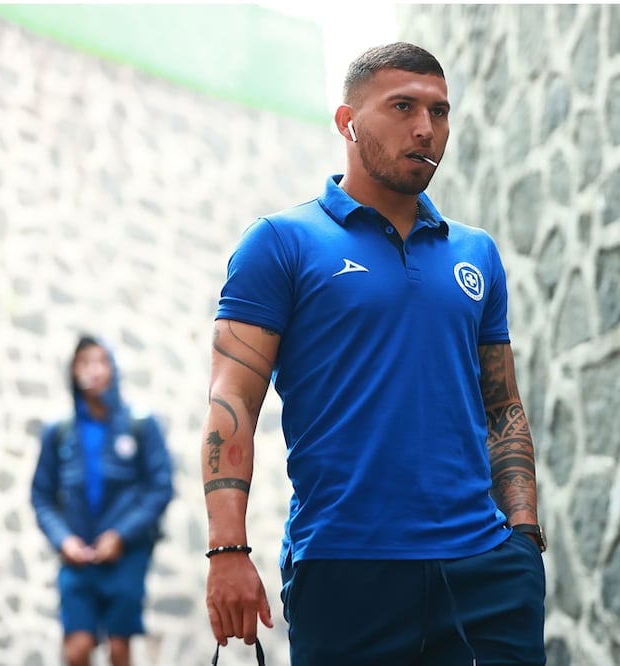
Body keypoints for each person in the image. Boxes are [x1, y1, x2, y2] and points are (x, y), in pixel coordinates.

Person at [203, 42, 546, 665]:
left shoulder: (478, 254)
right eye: (403, 107)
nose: (426, 129)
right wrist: (228, 550)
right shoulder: (280, 243)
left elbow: (501, 405)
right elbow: (233, 400)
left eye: (440, 112)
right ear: (347, 122)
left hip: (485, 572)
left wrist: (522, 537)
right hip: (345, 569)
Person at [31, 335, 174, 666]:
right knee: (77, 649)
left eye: (100, 361)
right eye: (83, 363)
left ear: (113, 368)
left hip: (125, 555)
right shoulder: (59, 432)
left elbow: (160, 488)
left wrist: (120, 535)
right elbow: (41, 495)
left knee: (119, 648)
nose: (93, 370)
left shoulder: (141, 425)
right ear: (73, 373)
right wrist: (63, 540)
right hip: (77, 557)